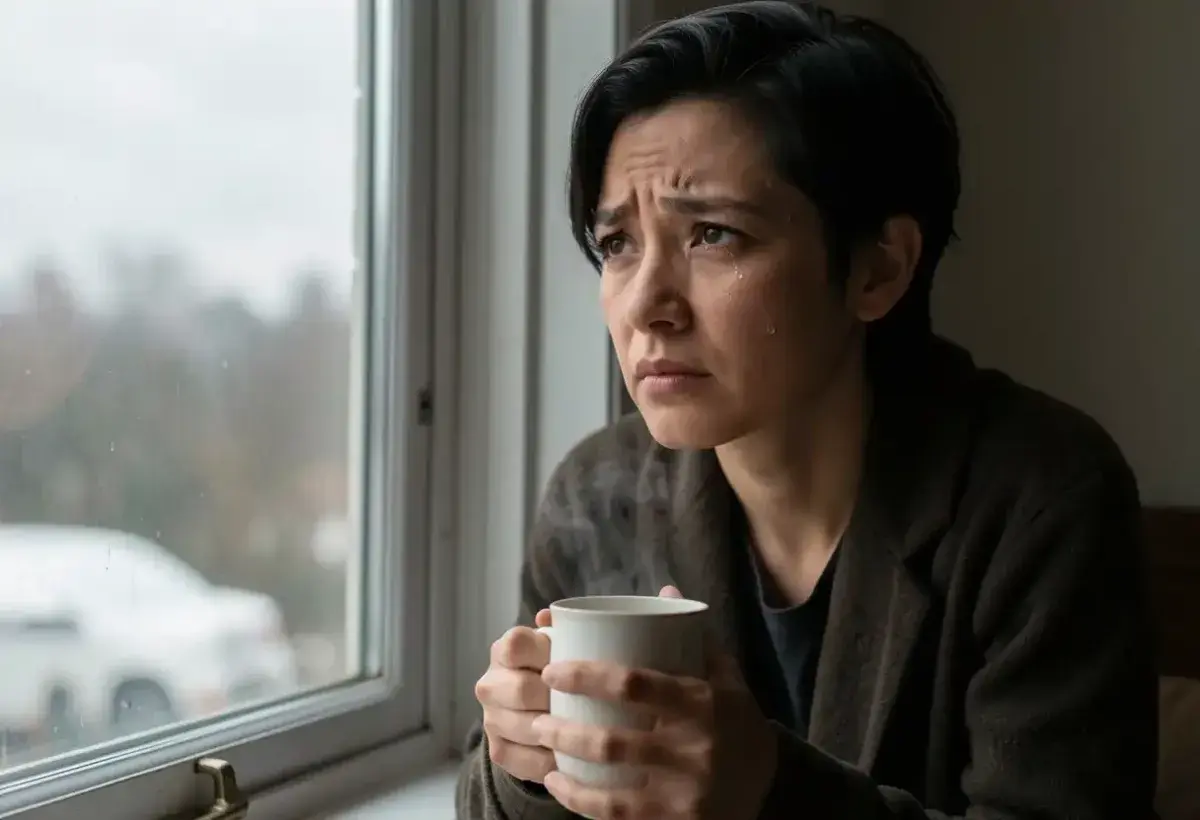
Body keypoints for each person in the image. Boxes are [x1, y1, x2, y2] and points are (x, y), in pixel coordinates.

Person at [456, 1, 1159, 818]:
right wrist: (525, 766)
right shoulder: (599, 490)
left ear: (877, 271)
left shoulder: (1039, 498)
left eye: (712, 234)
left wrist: (768, 791)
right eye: (618, 244)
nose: (645, 305)